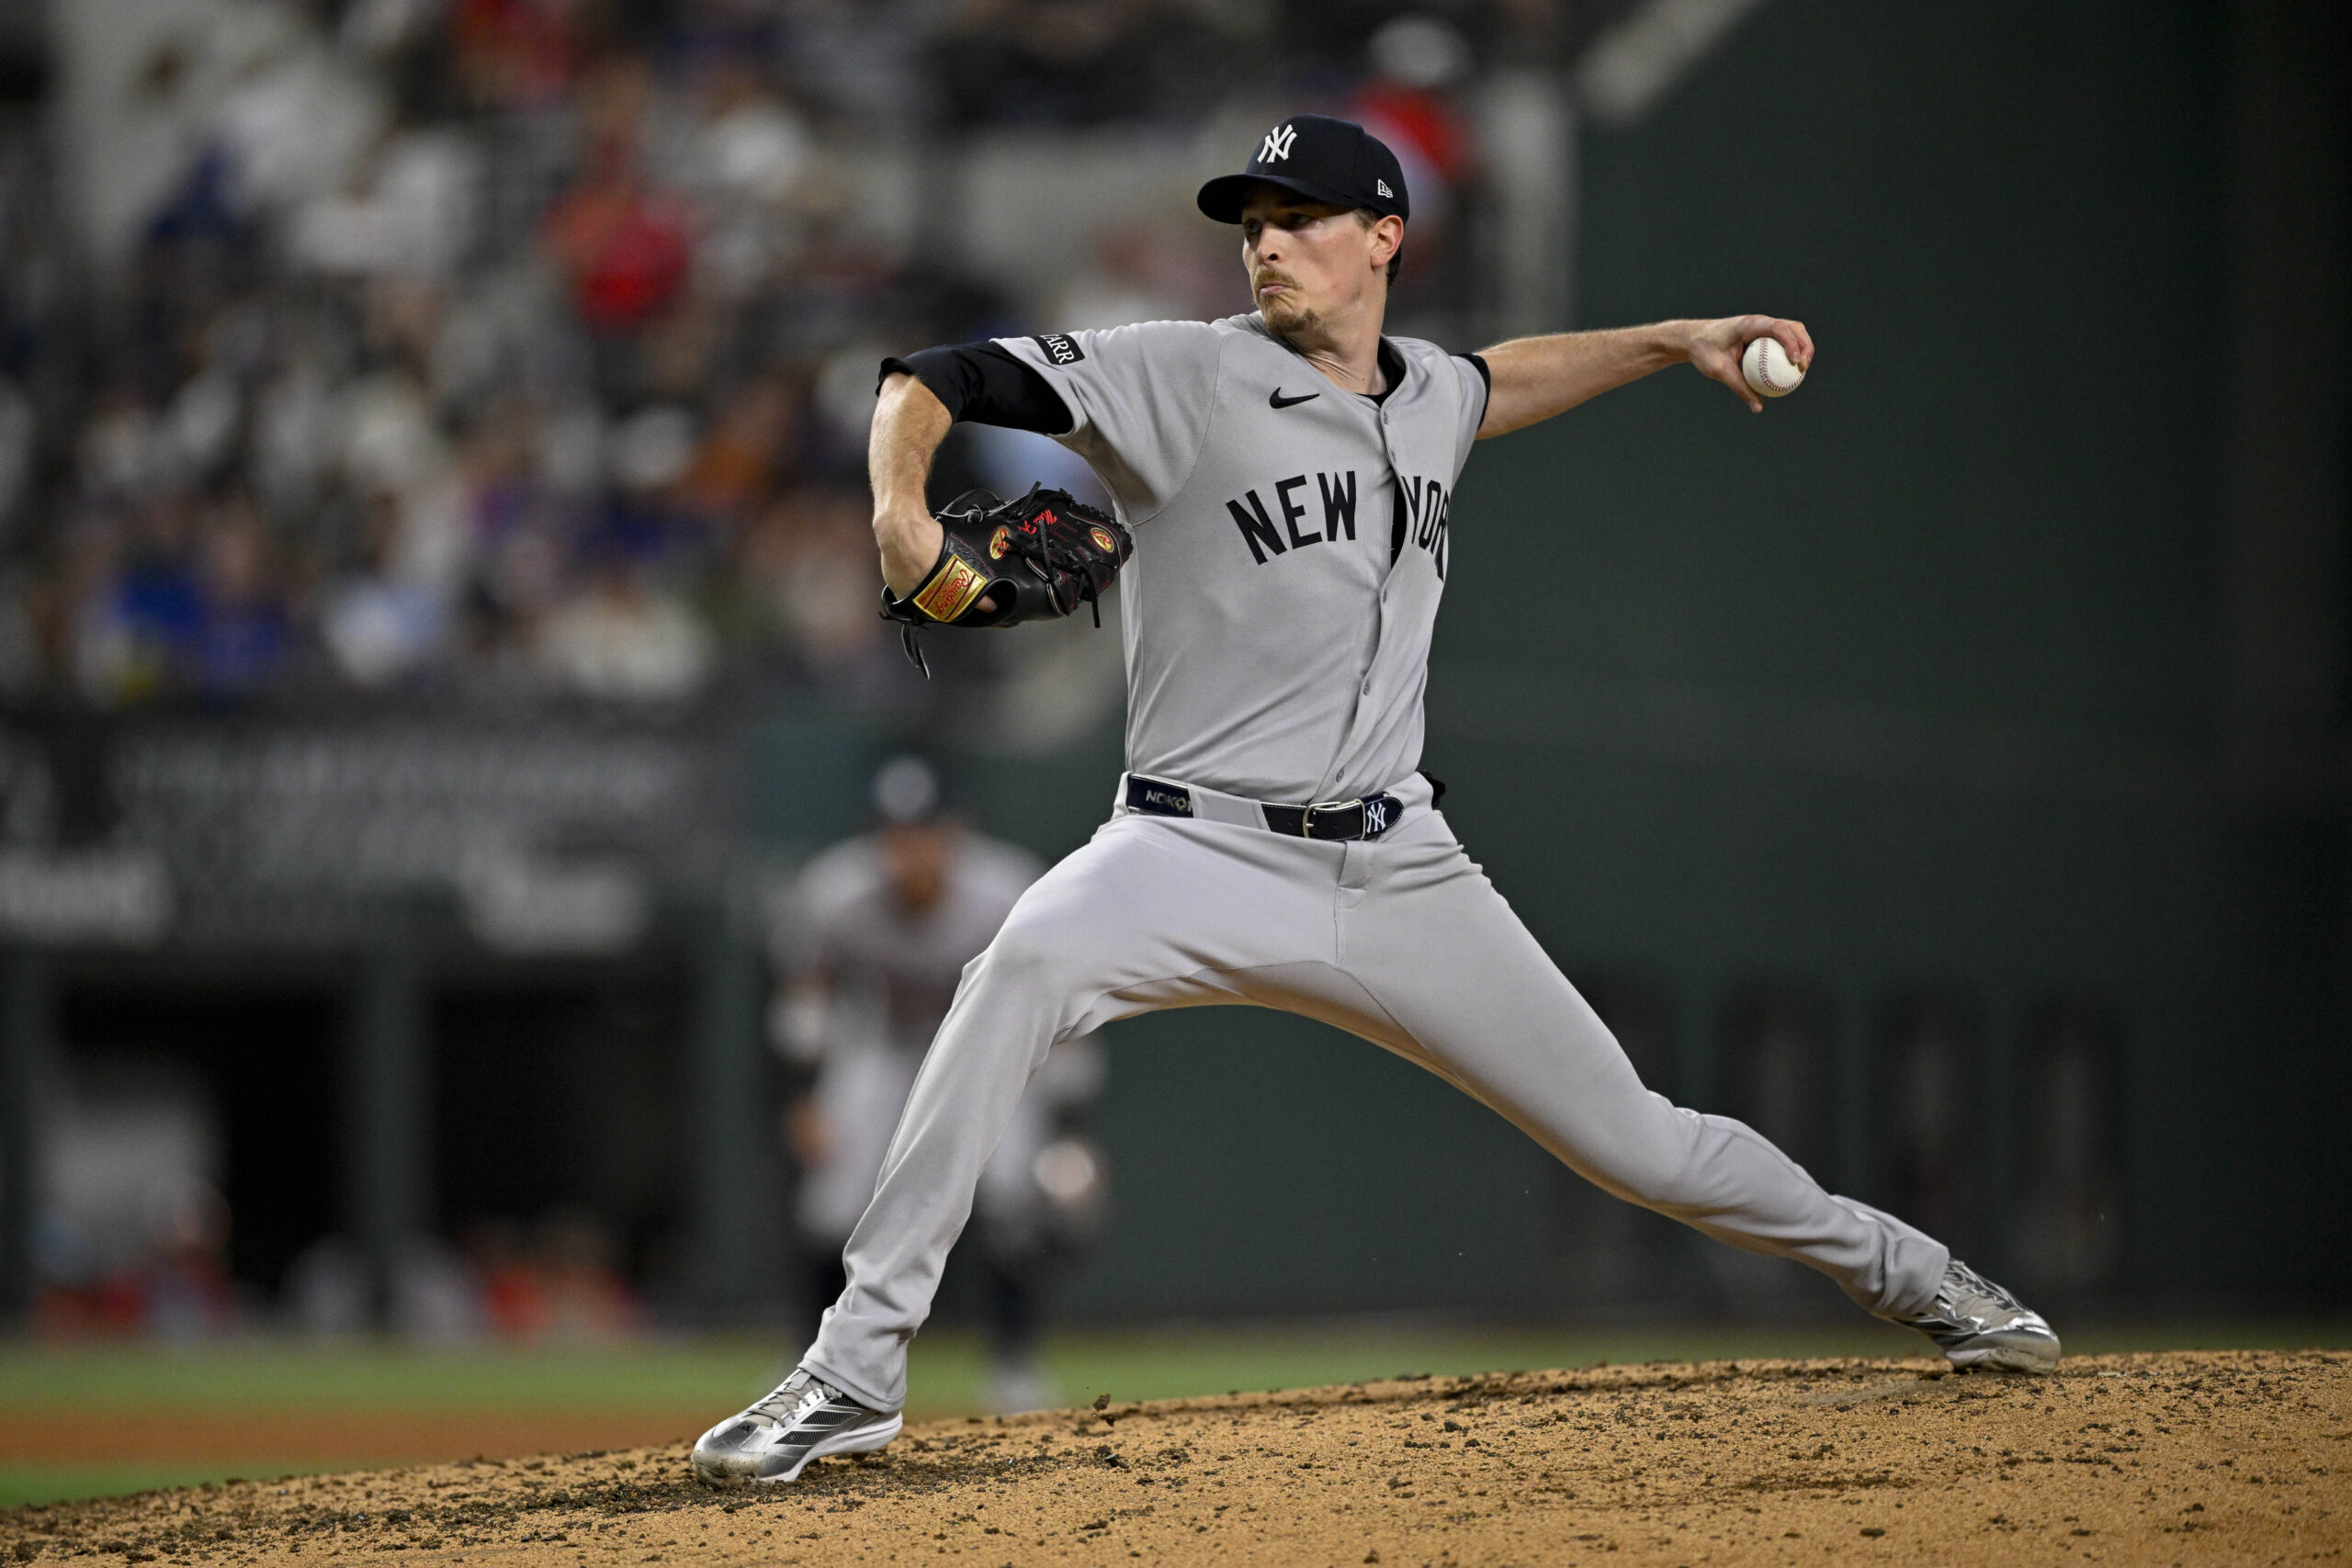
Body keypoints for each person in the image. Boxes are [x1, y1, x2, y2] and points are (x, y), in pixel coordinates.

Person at [692, 113, 2059, 1487]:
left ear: (1385, 237)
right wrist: (899, 515)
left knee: (1641, 1140)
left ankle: (1929, 1280)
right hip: (1186, 843)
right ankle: (855, 1369)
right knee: (1019, 966)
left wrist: (1674, 338)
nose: (1268, 243)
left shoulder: (1428, 399)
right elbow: (930, 375)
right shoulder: (1183, 371)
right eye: (1253, 223)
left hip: (1401, 865)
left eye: (1300, 217)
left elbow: (1495, 380)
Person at [775, 755, 1107, 1415]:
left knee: (1013, 1195)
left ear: (957, 832)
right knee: (833, 1202)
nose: (912, 849)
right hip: (888, 1048)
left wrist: (1067, 1125)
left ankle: (1014, 1364)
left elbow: (1065, 1004)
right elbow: (803, 1006)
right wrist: (804, 1096)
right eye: (897, 834)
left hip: (991, 1051)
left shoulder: (1008, 889)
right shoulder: (835, 893)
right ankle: (810, 1363)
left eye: (927, 831)